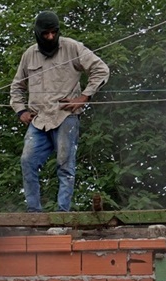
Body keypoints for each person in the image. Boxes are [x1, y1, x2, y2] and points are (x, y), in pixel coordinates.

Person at [10, 11, 110, 212]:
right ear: (37, 33)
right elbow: (16, 86)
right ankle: (33, 212)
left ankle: (62, 212)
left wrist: (84, 98)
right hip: (38, 120)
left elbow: (101, 69)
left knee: (65, 164)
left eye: (53, 32)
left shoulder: (72, 47)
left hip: (65, 116)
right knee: (27, 161)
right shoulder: (29, 54)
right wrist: (20, 111)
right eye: (45, 33)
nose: (50, 37)